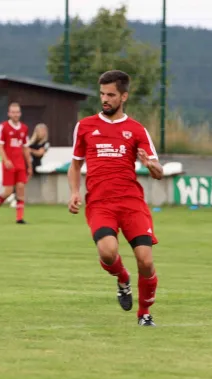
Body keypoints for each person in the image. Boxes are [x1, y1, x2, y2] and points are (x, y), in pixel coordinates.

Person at [67, 70, 163, 327]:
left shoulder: (137, 129)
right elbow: (75, 165)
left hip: (131, 203)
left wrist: (150, 166)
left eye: (111, 95)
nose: (105, 99)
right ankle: (123, 278)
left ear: (124, 96)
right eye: (102, 94)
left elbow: (159, 172)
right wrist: (75, 192)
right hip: (100, 203)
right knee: (108, 252)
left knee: (146, 259)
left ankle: (144, 313)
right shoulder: (85, 126)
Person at [0, 102, 32, 224]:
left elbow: (25, 148)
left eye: (17, 112)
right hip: (9, 164)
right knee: (8, 191)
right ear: (9, 114)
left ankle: (19, 218)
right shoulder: (3, 127)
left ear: (20, 113)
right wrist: (5, 160)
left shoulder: (24, 128)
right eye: (13, 112)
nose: (15, 114)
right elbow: (0, 146)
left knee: (21, 188)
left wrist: (29, 165)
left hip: (20, 163)